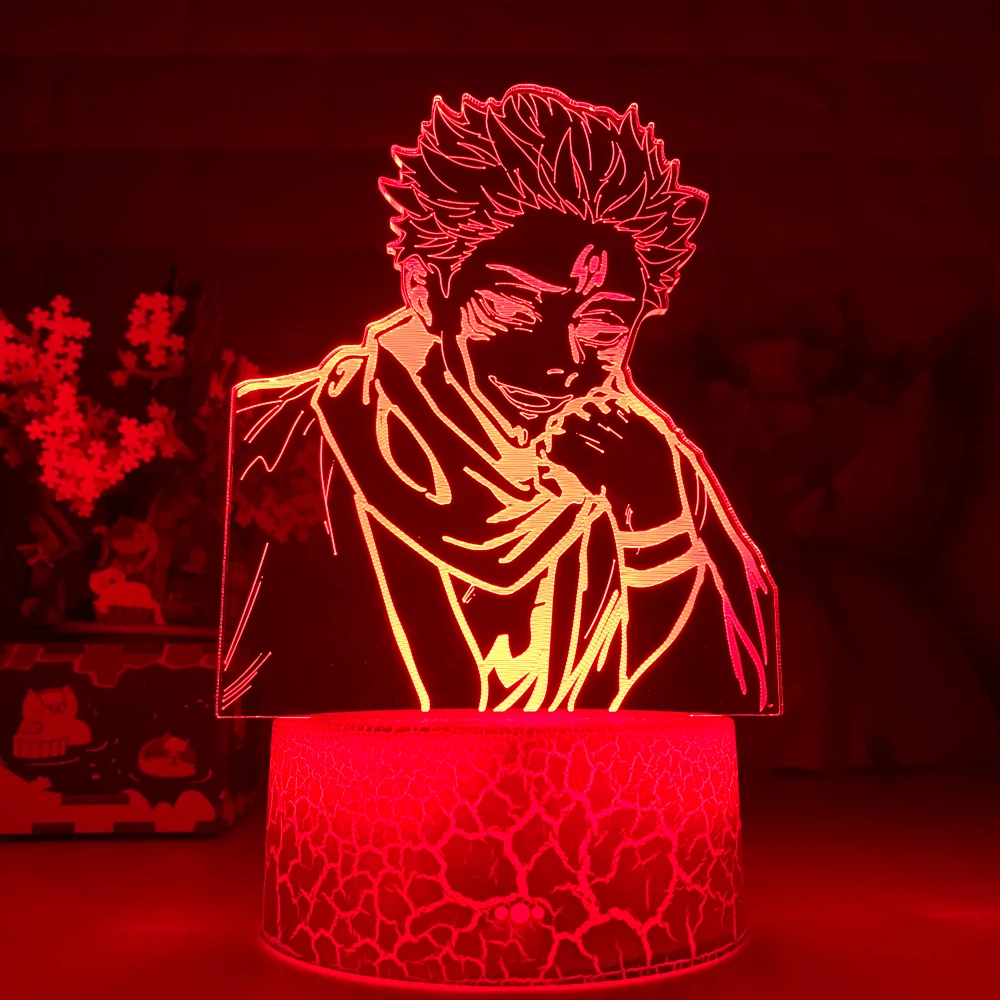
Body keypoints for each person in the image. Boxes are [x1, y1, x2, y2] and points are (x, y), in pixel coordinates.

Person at [218, 85, 779, 717]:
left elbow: (722, 712)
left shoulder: (658, 469)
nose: (563, 363)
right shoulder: (277, 441)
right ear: (426, 290)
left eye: (604, 325)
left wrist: (656, 528)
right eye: (516, 309)